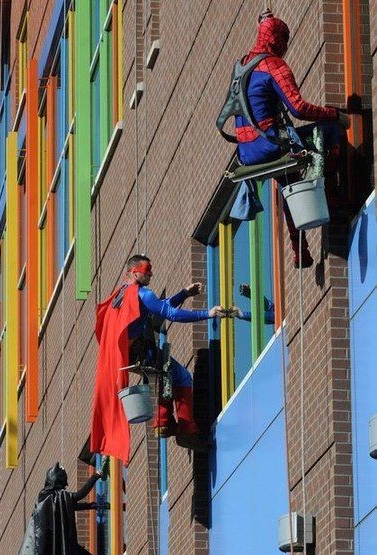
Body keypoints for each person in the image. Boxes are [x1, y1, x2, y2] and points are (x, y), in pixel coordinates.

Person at [220, 9, 351, 267]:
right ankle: (333, 195)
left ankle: (299, 250)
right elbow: (298, 108)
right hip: (270, 144)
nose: (286, 47)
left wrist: (264, 21)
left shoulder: (241, 66)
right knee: (330, 131)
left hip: (247, 152)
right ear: (277, 39)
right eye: (285, 40)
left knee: (286, 179)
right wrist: (334, 114)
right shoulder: (273, 65)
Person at [90, 255, 225, 461]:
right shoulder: (142, 293)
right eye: (147, 271)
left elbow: (159, 306)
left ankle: (163, 422)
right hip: (141, 352)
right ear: (135, 272)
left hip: (126, 355)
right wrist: (208, 313)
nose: (151, 274)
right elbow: (169, 314)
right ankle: (186, 428)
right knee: (183, 377)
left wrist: (183, 294)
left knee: (166, 374)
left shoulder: (120, 295)